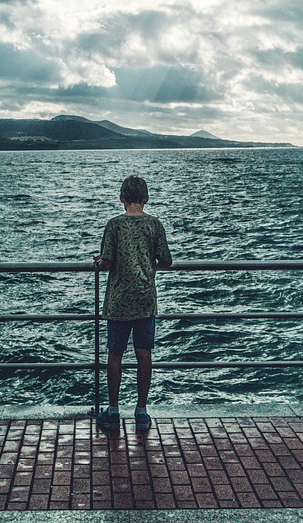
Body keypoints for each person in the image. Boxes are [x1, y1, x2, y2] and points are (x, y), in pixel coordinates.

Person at [94, 175, 172, 433]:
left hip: (119, 300)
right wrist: (150, 268)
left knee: (115, 354)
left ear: (122, 199)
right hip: (145, 298)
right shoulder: (154, 225)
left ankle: (114, 411)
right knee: (144, 354)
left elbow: (106, 263)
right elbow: (166, 260)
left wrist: (98, 262)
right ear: (146, 198)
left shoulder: (114, 225)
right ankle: (141, 411)